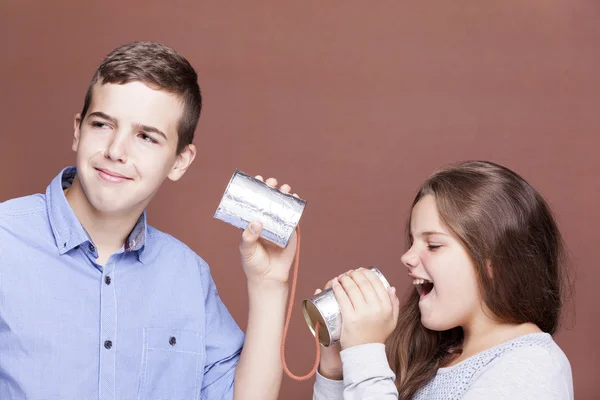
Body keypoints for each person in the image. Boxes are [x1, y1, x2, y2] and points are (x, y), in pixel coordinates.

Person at [0, 41, 298, 400]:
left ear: (180, 161)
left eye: (145, 137)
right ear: (78, 130)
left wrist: (269, 286)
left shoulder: (188, 276)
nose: (115, 151)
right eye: (102, 124)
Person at [312, 160, 574, 399]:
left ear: (494, 263)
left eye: (434, 245)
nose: (407, 256)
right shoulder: (438, 359)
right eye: (413, 242)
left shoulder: (531, 366)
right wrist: (336, 371)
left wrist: (366, 352)